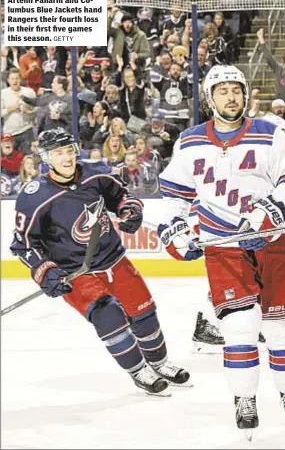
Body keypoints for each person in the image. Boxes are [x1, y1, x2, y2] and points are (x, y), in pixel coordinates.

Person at [157, 65, 285, 439]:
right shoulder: (190, 142)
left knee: (281, 329)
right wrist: (175, 230)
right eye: (223, 91)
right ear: (210, 99)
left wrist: (268, 213)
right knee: (240, 329)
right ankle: (244, 399)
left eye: (236, 90)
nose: (231, 97)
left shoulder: (271, 135)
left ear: (245, 95)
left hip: (272, 246)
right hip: (223, 251)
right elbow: (175, 198)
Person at [9, 128, 190, 397]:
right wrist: (44, 270)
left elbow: (122, 197)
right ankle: (139, 370)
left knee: (144, 314)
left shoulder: (97, 172)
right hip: (76, 272)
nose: (68, 158)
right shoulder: (34, 196)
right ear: (47, 158)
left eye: (70, 150)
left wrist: (130, 211)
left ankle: (160, 364)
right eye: (59, 153)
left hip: (114, 259)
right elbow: (23, 244)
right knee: (109, 316)